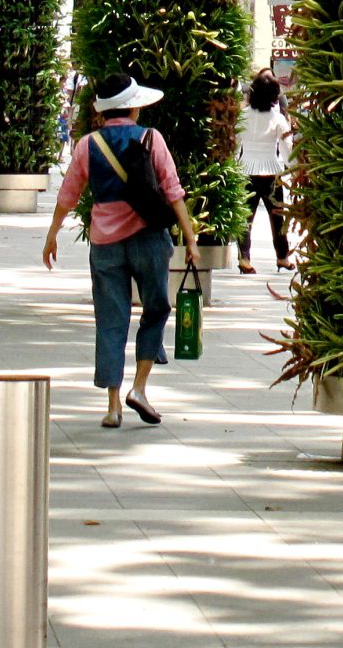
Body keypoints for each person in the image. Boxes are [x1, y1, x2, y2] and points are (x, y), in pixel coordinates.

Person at [41, 74, 202, 428]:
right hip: (149, 239)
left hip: (104, 243)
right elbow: (173, 190)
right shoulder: (150, 138)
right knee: (156, 309)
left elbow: (69, 193)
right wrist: (190, 238)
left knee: (110, 320)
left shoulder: (88, 144)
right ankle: (139, 388)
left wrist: (52, 234)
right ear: (133, 107)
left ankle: (112, 405)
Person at [236, 67, 292, 274]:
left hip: (246, 170)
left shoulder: (242, 116)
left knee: (245, 218)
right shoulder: (278, 118)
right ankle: (282, 257)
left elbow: (235, 144)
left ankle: (244, 258)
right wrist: (292, 169)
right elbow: (287, 148)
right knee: (277, 217)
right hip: (271, 171)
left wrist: (234, 165)